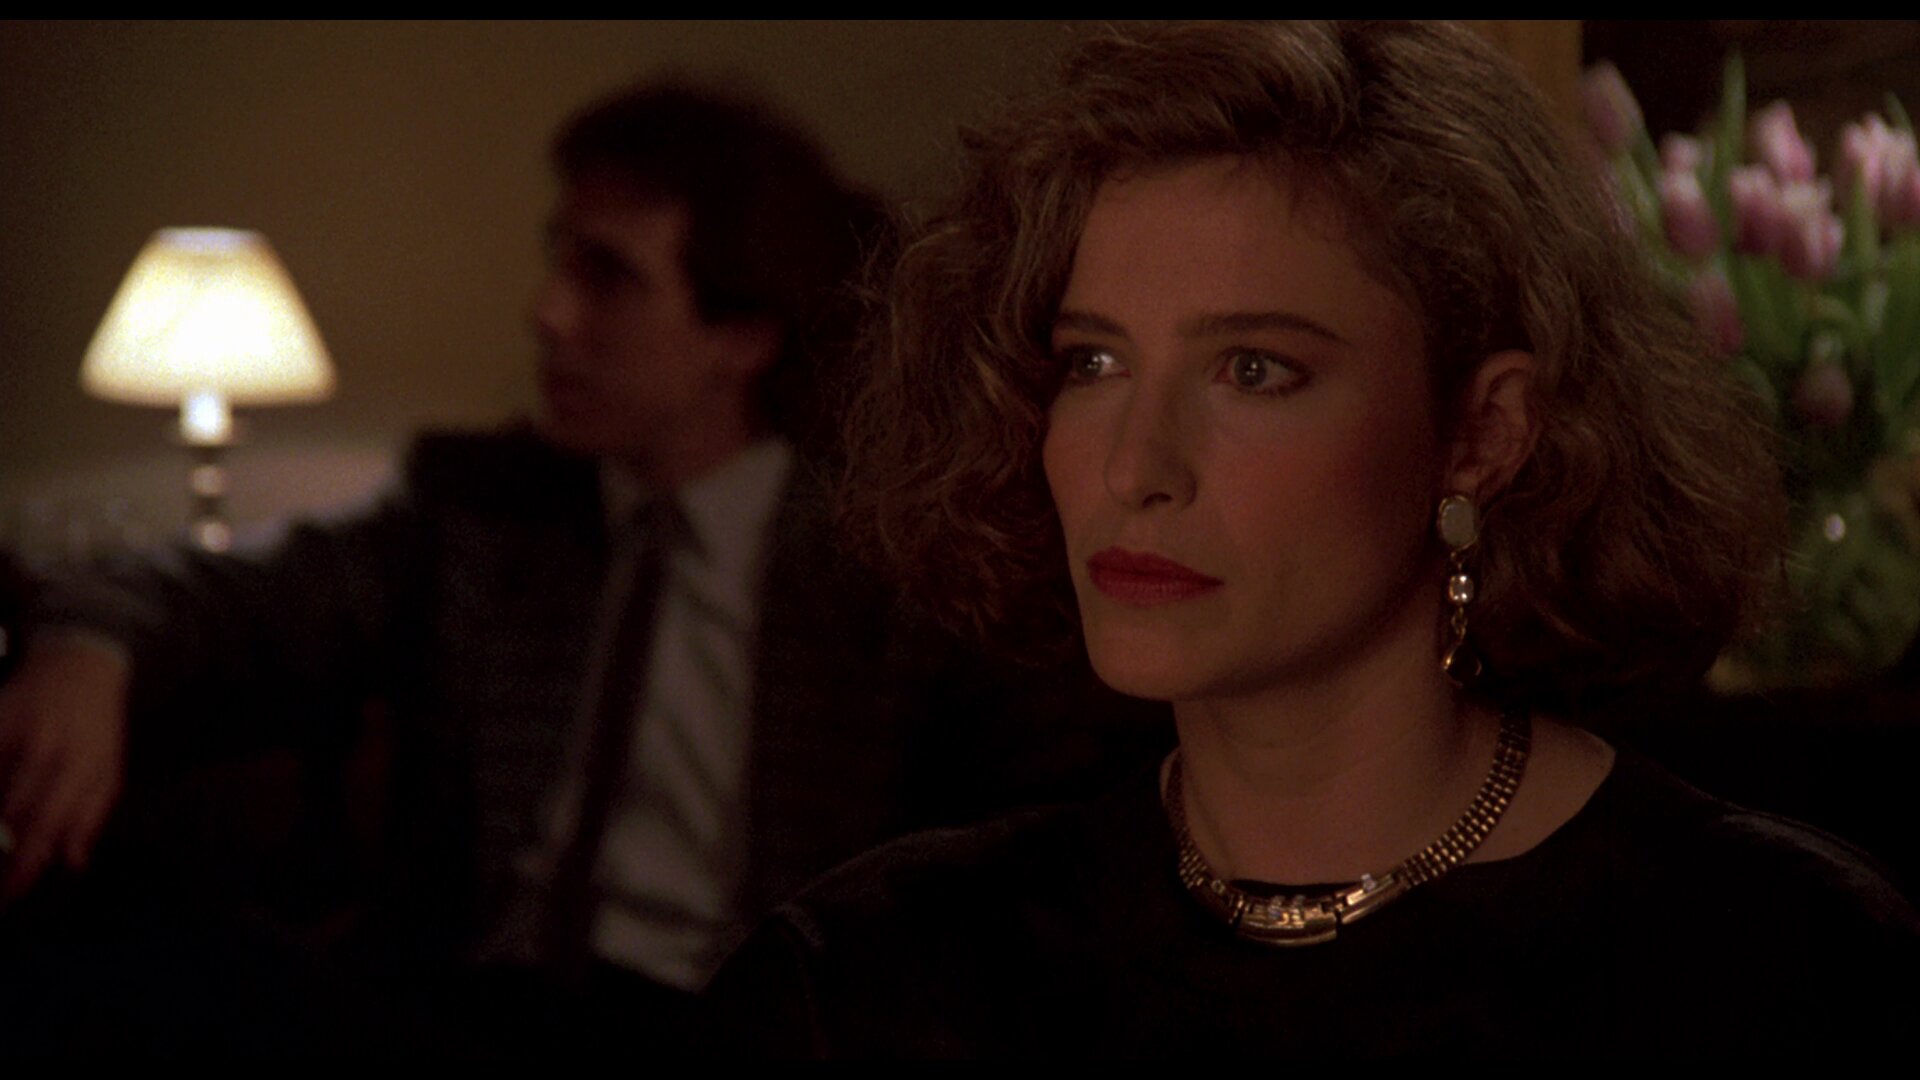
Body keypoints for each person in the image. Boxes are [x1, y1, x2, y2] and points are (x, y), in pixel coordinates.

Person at [707, 22, 1920, 1056]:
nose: (1135, 467)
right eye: (1093, 363)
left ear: (1482, 434)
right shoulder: (868, 980)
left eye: (1254, 369)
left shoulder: (1778, 960)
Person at [0, 78, 1150, 1053]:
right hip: (464, 1008)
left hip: (728, 1024)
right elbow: (244, 593)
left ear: (740, 336)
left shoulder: (881, 564)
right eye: (558, 261)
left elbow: (1052, 796)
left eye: (608, 276)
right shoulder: (487, 508)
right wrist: (90, 644)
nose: (548, 314)